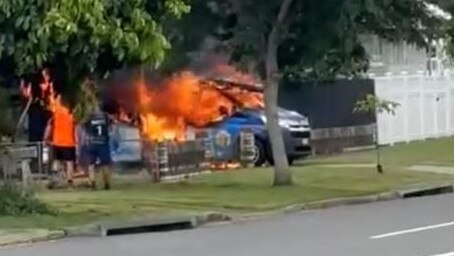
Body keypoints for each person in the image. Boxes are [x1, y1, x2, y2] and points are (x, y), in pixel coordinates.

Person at [44, 97, 76, 187]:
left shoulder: (55, 114)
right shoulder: (70, 114)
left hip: (57, 142)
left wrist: (45, 138)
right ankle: (69, 180)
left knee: (57, 161)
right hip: (69, 142)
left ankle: (55, 178)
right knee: (69, 161)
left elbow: (49, 127)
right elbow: (74, 127)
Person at [82, 105, 113, 190]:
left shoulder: (90, 117)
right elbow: (111, 125)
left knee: (91, 164)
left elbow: (84, 126)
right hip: (103, 143)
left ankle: (92, 182)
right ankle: (106, 183)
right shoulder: (105, 116)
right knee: (105, 164)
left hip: (92, 143)